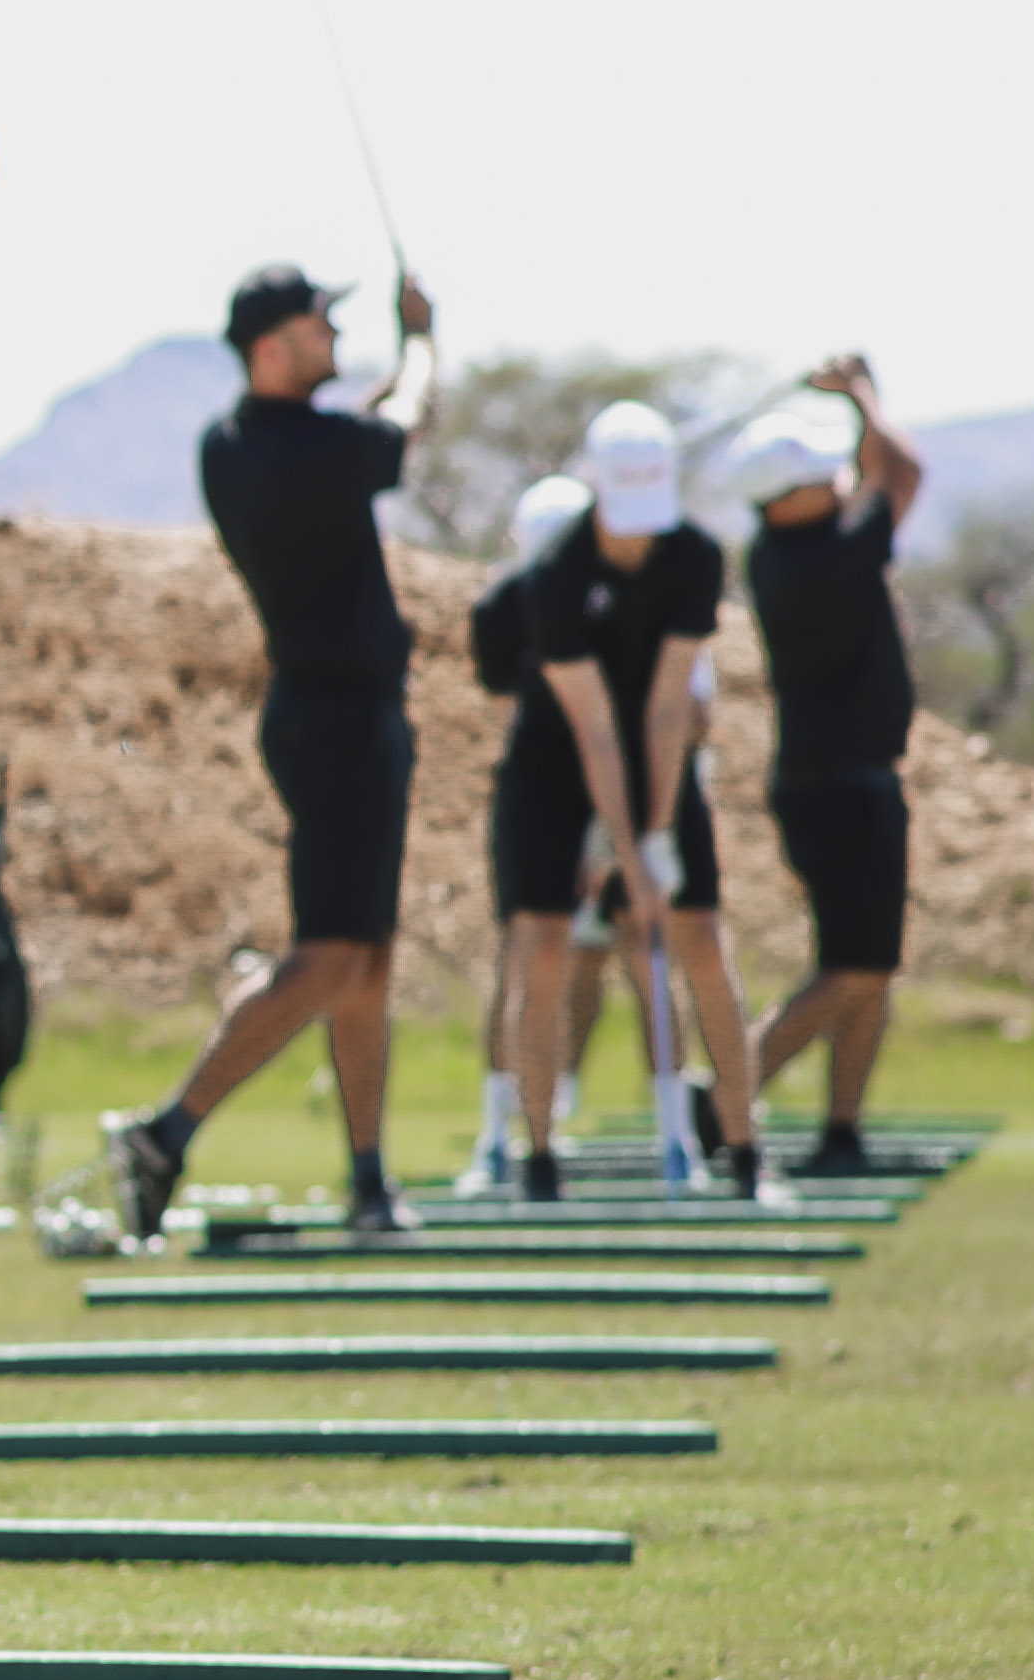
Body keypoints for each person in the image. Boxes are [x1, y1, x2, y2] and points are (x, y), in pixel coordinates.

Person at [106, 261, 441, 1243]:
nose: (334, 336)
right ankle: (165, 1130)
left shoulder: (238, 446)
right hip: (341, 724)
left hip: (325, 717)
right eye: (319, 323)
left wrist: (396, 368)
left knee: (365, 960)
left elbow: (362, 435)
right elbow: (402, 422)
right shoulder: (313, 448)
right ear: (271, 346)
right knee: (332, 958)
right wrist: (422, 337)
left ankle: (369, 1181)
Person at [513, 397, 775, 1198]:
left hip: (660, 760)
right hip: (556, 766)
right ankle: (537, 1157)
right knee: (544, 945)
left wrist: (656, 836)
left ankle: (745, 1151)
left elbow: (669, 707)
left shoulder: (694, 556)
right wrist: (626, 856)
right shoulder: (554, 574)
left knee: (699, 937)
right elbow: (594, 730)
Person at [730, 362, 925, 1176]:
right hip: (837, 788)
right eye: (816, 477)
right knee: (855, 969)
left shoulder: (788, 547)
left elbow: (871, 478)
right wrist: (861, 397)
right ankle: (726, 1100)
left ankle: (842, 1131)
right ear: (784, 499)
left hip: (845, 781)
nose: (834, 481)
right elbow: (901, 473)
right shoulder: (826, 554)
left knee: (868, 970)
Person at [447, 468, 592, 1195]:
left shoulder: (614, 600)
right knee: (529, 960)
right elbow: (499, 679)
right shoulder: (506, 606)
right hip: (539, 791)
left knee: (623, 956)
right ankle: (506, 1137)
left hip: (612, 791)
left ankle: (680, 1137)